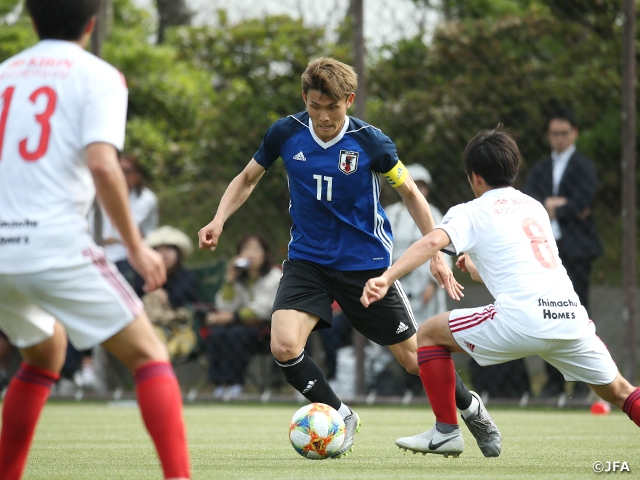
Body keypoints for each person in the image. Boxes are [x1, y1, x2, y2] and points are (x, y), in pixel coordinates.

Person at [198, 57, 501, 458]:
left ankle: (471, 408)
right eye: (314, 107)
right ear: (304, 100)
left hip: (367, 268)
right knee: (284, 345)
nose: (323, 117)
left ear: (349, 100)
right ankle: (341, 414)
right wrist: (219, 219)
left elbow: (411, 193)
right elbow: (247, 178)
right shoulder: (285, 133)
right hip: (307, 262)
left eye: (332, 107)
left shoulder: (371, 142)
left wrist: (436, 252)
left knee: (414, 360)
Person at [361, 128, 640, 457]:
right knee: (622, 391)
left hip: (521, 319)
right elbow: (522, 266)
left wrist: (387, 277)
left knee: (430, 333)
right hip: (569, 319)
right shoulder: (534, 207)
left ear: (474, 177)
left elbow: (432, 242)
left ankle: (446, 430)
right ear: (514, 169)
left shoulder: (470, 211)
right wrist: (477, 268)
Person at [0, 2, 190, 479]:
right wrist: (137, 245)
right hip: (56, 247)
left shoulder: (4, 74)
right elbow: (104, 166)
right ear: (91, 24)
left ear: (31, 19)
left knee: (46, 352)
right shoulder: (98, 76)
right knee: (150, 354)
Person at [523, 107, 602, 399]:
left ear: (575, 133)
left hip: (577, 250)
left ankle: (583, 381)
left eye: (564, 133)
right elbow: (530, 200)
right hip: (546, 253)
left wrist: (554, 206)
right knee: (548, 312)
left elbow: (584, 198)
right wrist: (561, 206)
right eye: (554, 134)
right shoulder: (541, 168)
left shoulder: (584, 166)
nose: (559, 139)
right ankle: (555, 381)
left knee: (579, 311)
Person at [205, 234, 281, 399]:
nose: (251, 254)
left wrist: (231, 317)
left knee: (235, 334)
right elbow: (223, 306)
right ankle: (219, 384)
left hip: (265, 328)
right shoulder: (239, 278)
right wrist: (229, 280)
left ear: (265, 254)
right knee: (217, 334)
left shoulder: (275, 276)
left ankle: (236, 384)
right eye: (246, 249)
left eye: (255, 249)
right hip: (239, 324)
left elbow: (264, 308)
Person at [134, 226, 200, 363]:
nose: (164, 255)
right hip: (150, 327)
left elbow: (187, 300)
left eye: (169, 249)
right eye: (159, 250)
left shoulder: (185, 277)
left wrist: (164, 297)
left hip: (180, 328)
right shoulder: (142, 277)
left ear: (178, 252)